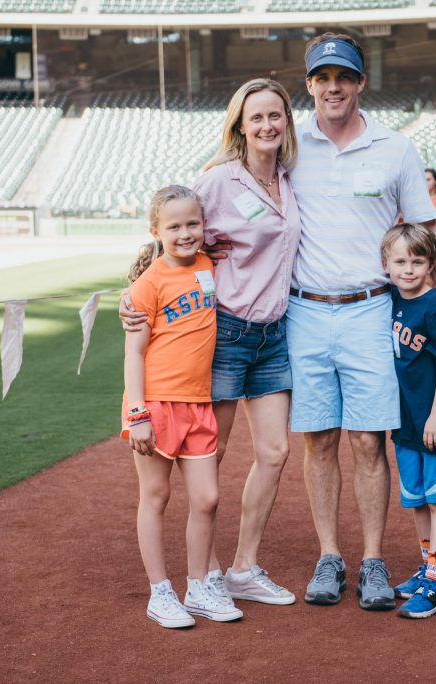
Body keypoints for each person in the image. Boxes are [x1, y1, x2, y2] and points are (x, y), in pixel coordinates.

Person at [288, 32, 436, 610]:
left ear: (361, 82)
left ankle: (373, 561)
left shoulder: (395, 148)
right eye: (321, 78)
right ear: (308, 84)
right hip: (304, 309)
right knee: (319, 442)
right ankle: (329, 556)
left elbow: (428, 230)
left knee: (368, 441)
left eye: (343, 77)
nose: (332, 87)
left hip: (370, 309)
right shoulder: (286, 141)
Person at [121, 78, 302, 606]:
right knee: (211, 457)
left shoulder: (290, 178)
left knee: (275, 451)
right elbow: (175, 232)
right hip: (225, 332)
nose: (267, 125)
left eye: (276, 115)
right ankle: (208, 575)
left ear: (287, 121)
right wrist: (135, 294)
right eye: (256, 117)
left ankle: (243, 567)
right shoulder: (219, 179)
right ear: (239, 126)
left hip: (274, 332)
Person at [122, 185, 243, 629]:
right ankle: (160, 592)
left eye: (193, 224)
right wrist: (137, 413)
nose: (186, 233)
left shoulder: (208, 264)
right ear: (156, 230)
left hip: (199, 404)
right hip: (155, 403)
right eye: (174, 227)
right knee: (156, 496)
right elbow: (133, 354)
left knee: (208, 498)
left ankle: (198, 587)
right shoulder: (147, 284)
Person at [379, 223, 436, 619]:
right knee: (416, 497)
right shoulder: (388, 298)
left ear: (430, 264)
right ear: (386, 264)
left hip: (432, 419)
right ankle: (429, 566)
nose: (408, 269)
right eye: (400, 261)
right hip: (405, 420)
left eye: (418, 261)